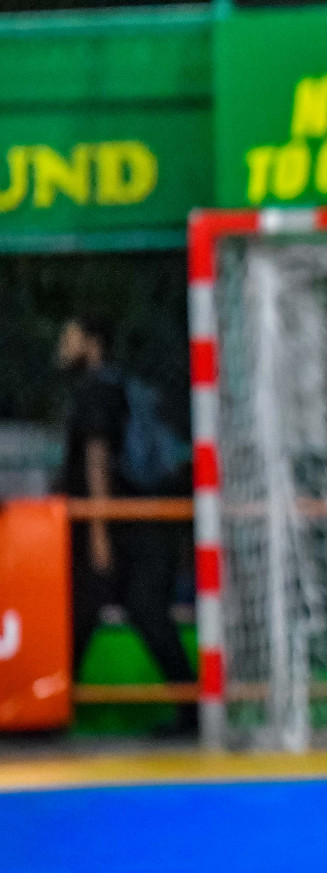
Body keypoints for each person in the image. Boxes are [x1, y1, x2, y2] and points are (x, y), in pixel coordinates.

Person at [57, 312, 197, 735]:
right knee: (103, 613)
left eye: (70, 335)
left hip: (123, 527)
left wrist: (99, 529)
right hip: (134, 527)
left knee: (116, 612)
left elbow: (97, 458)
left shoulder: (95, 390)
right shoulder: (119, 387)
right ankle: (56, 705)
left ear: (91, 342)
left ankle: (52, 708)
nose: (62, 344)